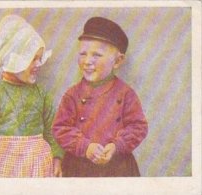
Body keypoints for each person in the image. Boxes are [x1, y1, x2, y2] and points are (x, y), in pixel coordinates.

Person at [52, 17, 148, 177]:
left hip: (118, 167)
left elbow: (138, 127)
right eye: (83, 54)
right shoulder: (72, 95)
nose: (87, 61)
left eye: (96, 55)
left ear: (118, 61)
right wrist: (85, 147)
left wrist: (117, 146)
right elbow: (60, 128)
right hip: (79, 167)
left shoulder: (126, 94)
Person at [0, 15, 63, 178]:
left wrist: (57, 158)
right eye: (33, 59)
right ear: (15, 59)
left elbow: (52, 129)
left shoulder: (41, 94)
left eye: (39, 59)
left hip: (38, 166)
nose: (38, 65)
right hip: (4, 165)